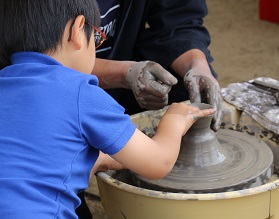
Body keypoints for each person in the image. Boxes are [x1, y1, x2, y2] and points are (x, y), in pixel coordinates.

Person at [0, 0, 215, 219]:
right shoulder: (81, 92)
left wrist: (100, 159)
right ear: (77, 30)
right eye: (96, 37)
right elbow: (158, 163)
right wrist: (175, 120)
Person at [93, 0, 223, 132]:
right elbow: (70, 65)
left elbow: (179, 19)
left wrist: (196, 64)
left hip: (123, 55)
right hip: (77, 86)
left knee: (195, 90)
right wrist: (124, 74)